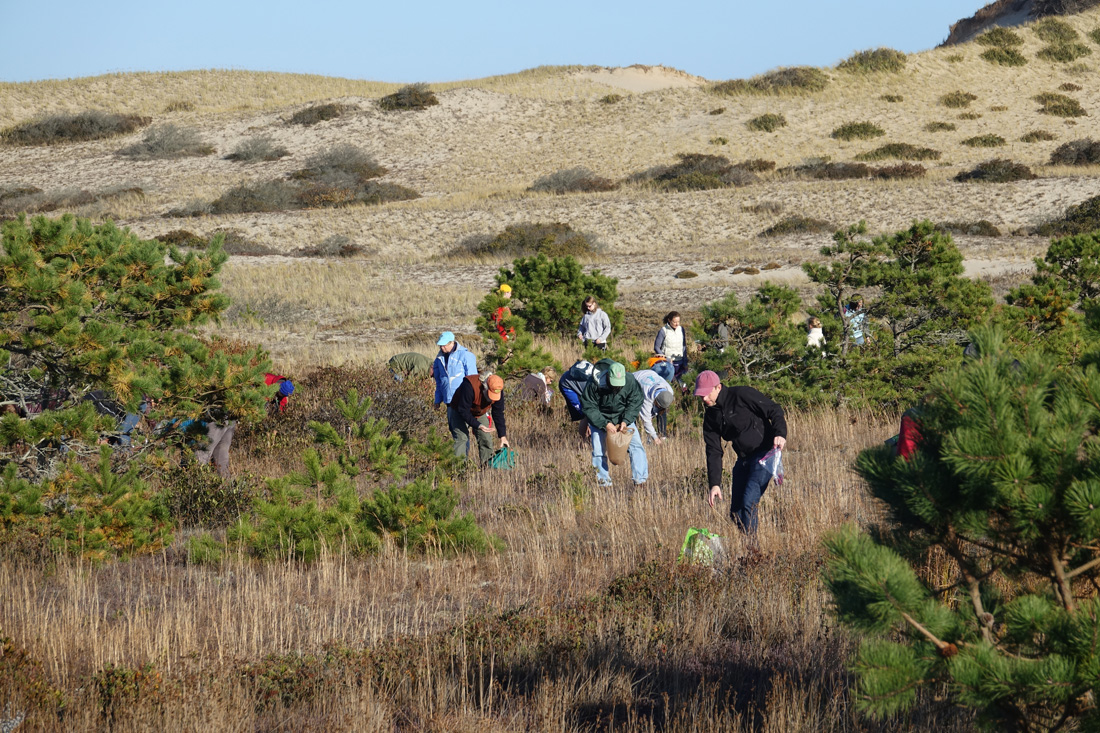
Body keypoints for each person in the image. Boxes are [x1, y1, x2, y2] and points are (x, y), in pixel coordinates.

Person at [695, 370, 787, 535]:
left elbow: (774, 409)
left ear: (718, 387)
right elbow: (713, 450)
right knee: (736, 512)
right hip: (743, 460)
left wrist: (780, 433)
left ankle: (752, 547)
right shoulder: (710, 416)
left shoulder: (741, 395)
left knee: (748, 501)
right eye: (701, 395)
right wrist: (714, 484)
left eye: (707, 393)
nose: (704, 398)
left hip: (765, 455)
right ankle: (746, 544)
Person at [580, 359, 647, 487]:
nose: (617, 387)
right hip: (600, 419)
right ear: (607, 376)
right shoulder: (594, 383)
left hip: (623, 418)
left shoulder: (630, 381)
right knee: (598, 451)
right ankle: (603, 482)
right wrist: (605, 424)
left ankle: (640, 480)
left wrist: (626, 420)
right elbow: (589, 407)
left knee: (637, 447)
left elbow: (635, 401)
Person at [448, 373, 509, 464]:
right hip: (458, 411)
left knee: (485, 438)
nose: (492, 399)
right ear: (485, 387)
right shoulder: (469, 386)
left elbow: (498, 413)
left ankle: (487, 467)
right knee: (462, 439)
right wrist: (478, 425)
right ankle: (459, 469)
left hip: (479, 412)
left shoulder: (497, 389)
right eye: (490, 394)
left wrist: (502, 436)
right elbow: (463, 410)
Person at [433, 331, 478, 417]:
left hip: (464, 401)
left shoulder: (466, 355)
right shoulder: (439, 359)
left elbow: (473, 380)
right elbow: (439, 381)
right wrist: (437, 400)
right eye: (440, 345)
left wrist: (473, 400)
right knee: (453, 425)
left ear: (452, 342)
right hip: (449, 402)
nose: (442, 347)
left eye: (444, 345)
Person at [632, 369, 674, 444]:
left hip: (651, 374)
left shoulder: (669, 391)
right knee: (634, 411)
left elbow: (661, 408)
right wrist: (655, 437)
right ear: (655, 400)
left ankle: (663, 436)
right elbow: (646, 419)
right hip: (635, 380)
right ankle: (638, 438)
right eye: (658, 405)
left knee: (661, 411)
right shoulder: (647, 395)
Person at [559, 359, 596, 439]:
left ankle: (588, 438)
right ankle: (583, 440)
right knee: (583, 414)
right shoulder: (594, 387)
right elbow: (591, 407)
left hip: (582, 386)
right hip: (567, 385)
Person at [653, 311, 688, 386]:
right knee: (669, 384)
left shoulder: (681, 329)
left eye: (678, 321)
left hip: (680, 362)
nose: (677, 324)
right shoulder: (663, 330)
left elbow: (684, 346)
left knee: (682, 385)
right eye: (674, 322)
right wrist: (666, 358)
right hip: (668, 364)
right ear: (669, 320)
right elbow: (656, 347)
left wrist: (685, 362)